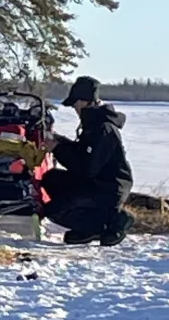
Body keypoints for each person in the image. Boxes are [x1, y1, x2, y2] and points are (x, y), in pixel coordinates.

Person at [42, 76, 134, 246]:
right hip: (96, 183)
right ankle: (91, 225)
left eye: (75, 103)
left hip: (109, 188)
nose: (75, 109)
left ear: (85, 101)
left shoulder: (103, 128)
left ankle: (111, 221)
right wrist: (59, 141)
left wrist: (57, 149)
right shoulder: (93, 124)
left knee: (54, 210)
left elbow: (86, 168)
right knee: (51, 179)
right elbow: (81, 153)